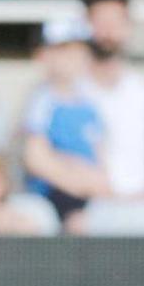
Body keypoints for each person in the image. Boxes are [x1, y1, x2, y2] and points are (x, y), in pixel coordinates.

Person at [23, 18, 108, 234]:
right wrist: (75, 183)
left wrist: (97, 183)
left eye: (79, 52)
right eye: (64, 52)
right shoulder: (41, 101)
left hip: (87, 195)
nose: (73, 59)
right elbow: (36, 159)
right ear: (44, 55)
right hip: (52, 194)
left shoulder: (90, 103)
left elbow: (99, 155)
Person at [82, 0, 144, 197]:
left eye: (115, 22)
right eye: (100, 23)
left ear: (129, 26)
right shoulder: (69, 90)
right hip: (89, 202)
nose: (108, 32)